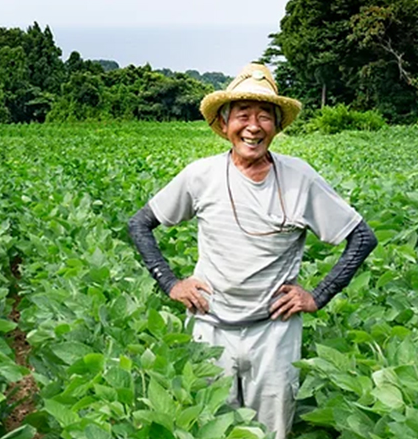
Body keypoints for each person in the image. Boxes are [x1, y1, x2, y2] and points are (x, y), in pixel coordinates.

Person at [127, 63, 378, 439]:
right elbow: (140, 223)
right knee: (208, 428)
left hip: (274, 333)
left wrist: (319, 295)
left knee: (273, 432)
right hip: (210, 329)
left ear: (276, 126)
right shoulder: (201, 175)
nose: (253, 126)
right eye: (242, 115)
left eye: (265, 117)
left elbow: (361, 236)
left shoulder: (300, 178)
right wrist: (170, 283)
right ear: (225, 124)